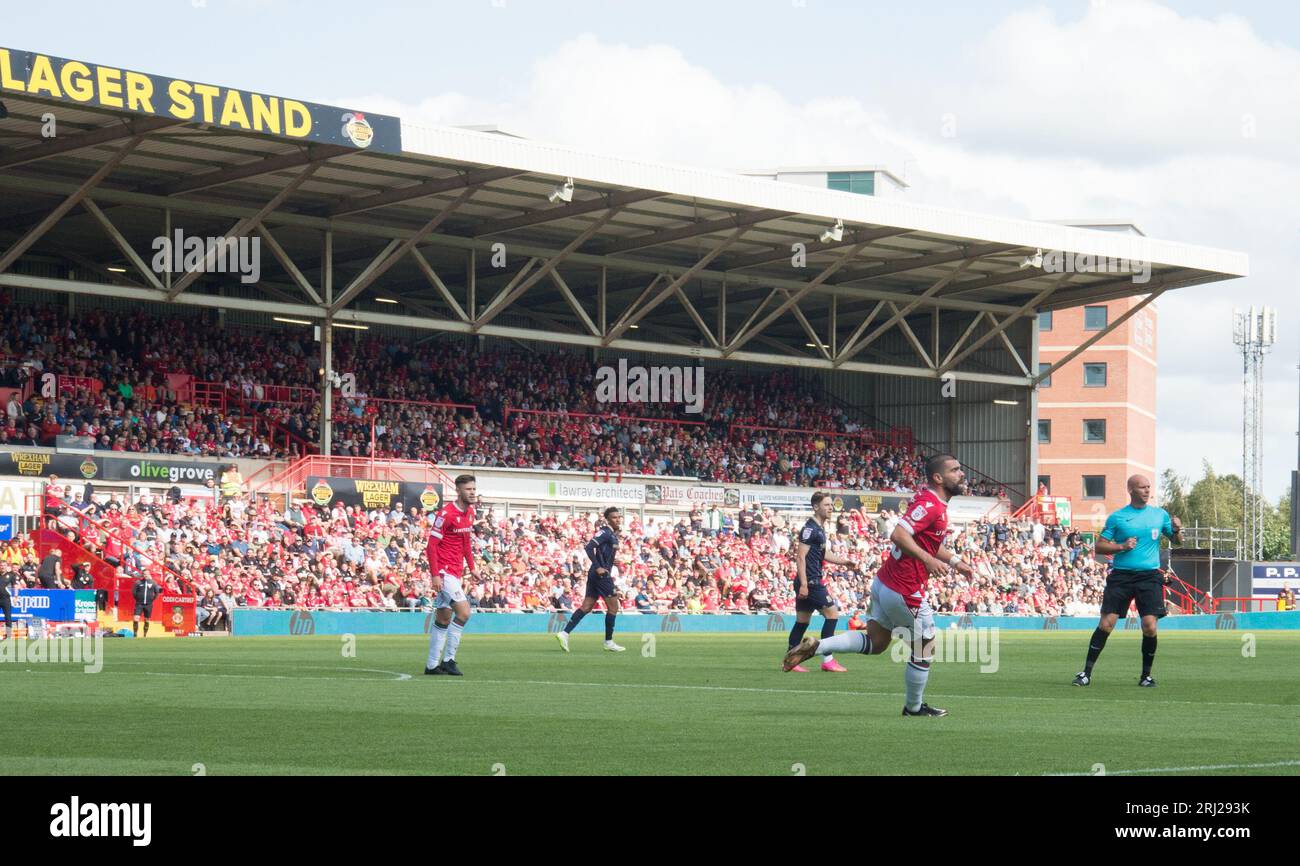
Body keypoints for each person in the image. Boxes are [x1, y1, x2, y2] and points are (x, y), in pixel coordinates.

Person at [785, 454, 974, 716]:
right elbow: (898, 534)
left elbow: (928, 541)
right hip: (904, 588)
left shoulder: (932, 502)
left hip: (885, 583)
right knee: (925, 646)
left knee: (877, 643)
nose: (961, 474)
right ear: (938, 478)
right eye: (955, 470)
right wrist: (928, 560)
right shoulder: (932, 505)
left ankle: (819, 647)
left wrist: (955, 561)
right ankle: (913, 707)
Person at [1073, 475, 1182, 688]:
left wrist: (1177, 529)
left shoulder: (1160, 515)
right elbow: (1100, 547)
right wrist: (1122, 546)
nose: (1147, 490)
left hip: (1149, 576)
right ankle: (1085, 673)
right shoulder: (1118, 517)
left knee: (1150, 626)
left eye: (1149, 487)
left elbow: (1176, 541)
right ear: (1131, 489)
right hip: (1122, 576)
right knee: (1106, 624)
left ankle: (1146, 676)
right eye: (1142, 487)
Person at [783, 491, 860, 673]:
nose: (830, 508)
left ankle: (790, 659)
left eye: (831, 505)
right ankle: (828, 660)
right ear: (816, 507)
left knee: (802, 621)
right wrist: (804, 583)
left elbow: (824, 554)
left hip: (808, 581)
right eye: (826, 505)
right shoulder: (810, 529)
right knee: (832, 615)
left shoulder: (820, 529)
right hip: (810, 581)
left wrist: (844, 561)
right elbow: (800, 557)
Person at [424, 474, 478, 677]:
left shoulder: (470, 513)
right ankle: (448, 660)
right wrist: (435, 575)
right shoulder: (445, 514)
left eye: (474, 489)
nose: (472, 492)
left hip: (456, 572)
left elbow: (465, 543)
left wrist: (472, 568)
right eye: (468, 489)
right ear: (458, 491)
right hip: (445, 573)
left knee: (444, 618)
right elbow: (431, 546)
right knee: (464, 613)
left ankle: (431, 666)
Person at [555, 506, 626, 653]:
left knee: (587, 606)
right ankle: (608, 641)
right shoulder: (605, 533)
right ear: (607, 519)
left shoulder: (612, 535)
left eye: (619, 517)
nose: (618, 519)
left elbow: (603, 553)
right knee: (614, 607)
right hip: (601, 575)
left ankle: (564, 633)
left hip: (596, 574)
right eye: (614, 517)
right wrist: (599, 566)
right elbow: (589, 547)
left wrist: (613, 562)